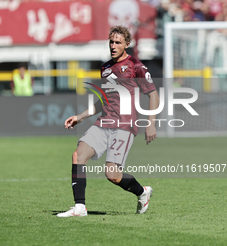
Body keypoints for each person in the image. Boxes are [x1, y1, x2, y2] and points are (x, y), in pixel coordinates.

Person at [57, 26, 160, 217]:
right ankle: (80, 207)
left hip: (124, 126)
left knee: (112, 175)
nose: (113, 46)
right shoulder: (104, 68)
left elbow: (153, 94)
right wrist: (80, 117)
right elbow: (103, 100)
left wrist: (151, 122)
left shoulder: (136, 66)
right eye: (111, 42)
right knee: (78, 156)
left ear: (127, 44)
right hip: (104, 123)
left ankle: (142, 192)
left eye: (118, 42)